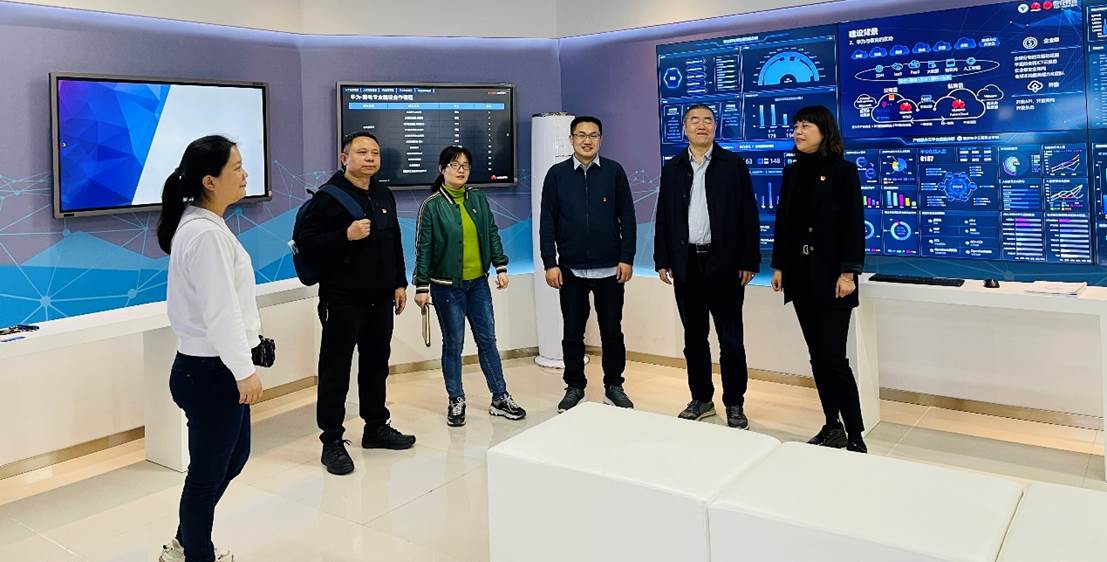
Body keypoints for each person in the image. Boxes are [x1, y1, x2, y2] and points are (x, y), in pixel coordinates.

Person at [157, 135, 262, 562]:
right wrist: (243, 370)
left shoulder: (204, 226)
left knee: (232, 458)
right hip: (210, 371)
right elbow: (221, 313)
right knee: (206, 475)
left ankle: (186, 542)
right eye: (236, 167)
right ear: (209, 181)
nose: (245, 174)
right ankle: (193, 553)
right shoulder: (204, 234)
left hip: (209, 369)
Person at [293, 132, 415, 476]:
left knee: (376, 365)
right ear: (344, 158)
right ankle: (331, 440)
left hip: (381, 297)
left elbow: (394, 240)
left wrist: (399, 282)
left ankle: (375, 427)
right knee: (336, 369)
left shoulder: (383, 193)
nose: (370, 158)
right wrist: (344, 235)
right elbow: (306, 243)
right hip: (342, 298)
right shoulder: (328, 198)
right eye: (362, 152)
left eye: (375, 152)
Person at [654, 104, 761, 429]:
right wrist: (662, 259)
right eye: (694, 120)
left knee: (731, 340)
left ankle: (735, 403)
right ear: (684, 128)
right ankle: (701, 399)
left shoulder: (733, 165)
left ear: (716, 127)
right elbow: (665, 216)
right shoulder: (673, 168)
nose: (701, 125)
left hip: (725, 263)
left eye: (708, 120)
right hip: (686, 263)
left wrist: (749, 260)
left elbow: (748, 215)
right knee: (694, 339)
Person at [770, 105, 867, 453]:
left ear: (824, 131)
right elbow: (784, 222)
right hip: (800, 275)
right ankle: (831, 425)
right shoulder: (792, 172)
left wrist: (848, 272)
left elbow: (853, 225)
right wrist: (779, 266)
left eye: (805, 126)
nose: (798, 131)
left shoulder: (843, 172)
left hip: (833, 278)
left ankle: (855, 434)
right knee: (816, 355)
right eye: (796, 126)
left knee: (834, 358)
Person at [413, 145, 527, 427]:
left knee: (488, 341)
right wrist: (421, 286)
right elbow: (423, 248)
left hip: (478, 284)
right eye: (454, 165)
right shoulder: (432, 206)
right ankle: (456, 399)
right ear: (442, 170)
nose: (461, 170)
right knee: (454, 344)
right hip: (446, 287)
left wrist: (501, 266)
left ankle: (500, 397)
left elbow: (491, 232)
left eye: (465, 165)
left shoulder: (477, 198)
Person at [539, 115, 636, 412]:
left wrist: (626, 258)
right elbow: (547, 222)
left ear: (601, 140)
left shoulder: (614, 172)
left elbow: (628, 218)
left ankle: (614, 385)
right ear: (571, 140)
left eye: (593, 135)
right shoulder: (556, 175)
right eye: (581, 135)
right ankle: (574, 386)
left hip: (610, 270)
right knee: (572, 332)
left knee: (612, 331)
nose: (587, 140)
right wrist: (550, 262)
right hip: (570, 270)